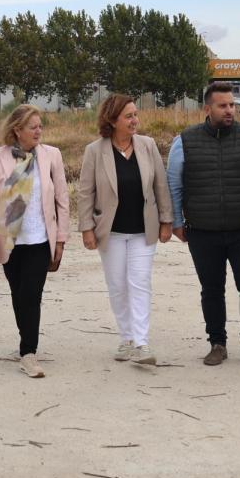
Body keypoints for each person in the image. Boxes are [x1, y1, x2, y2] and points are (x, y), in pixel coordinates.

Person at [167, 82, 240, 367]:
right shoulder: (185, 141)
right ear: (207, 108)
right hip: (203, 231)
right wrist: (178, 223)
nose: (230, 110)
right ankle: (217, 343)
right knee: (212, 289)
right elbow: (174, 184)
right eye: (223, 105)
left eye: (232, 105)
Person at [77, 94, 173, 366]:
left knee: (140, 283)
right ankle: (126, 339)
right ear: (112, 120)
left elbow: (161, 187)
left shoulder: (148, 145)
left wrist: (166, 220)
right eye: (128, 116)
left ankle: (142, 343)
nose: (135, 121)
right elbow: (85, 193)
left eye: (135, 115)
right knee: (118, 286)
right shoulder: (95, 151)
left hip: (144, 230)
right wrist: (86, 228)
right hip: (112, 232)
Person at [0, 105, 69, 378]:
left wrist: (61, 240)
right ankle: (25, 344)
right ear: (17, 130)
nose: (38, 131)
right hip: (10, 241)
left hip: (40, 239)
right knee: (18, 295)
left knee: (31, 295)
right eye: (32, 127)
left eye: (40, 126)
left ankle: (29, 352)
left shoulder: (51, 155)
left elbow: (62, 201)